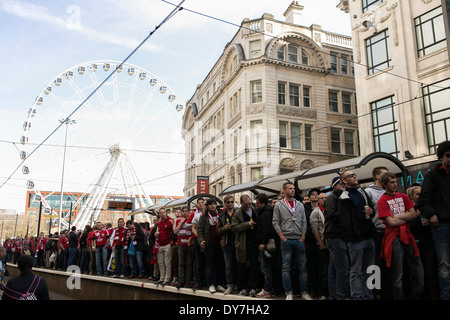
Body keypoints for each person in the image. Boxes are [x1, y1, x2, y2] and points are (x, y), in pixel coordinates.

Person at [377, 171, 423, 300]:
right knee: (398, 274)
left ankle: (416, 296)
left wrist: (397, 217)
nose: (395, 184)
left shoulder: (403, 196)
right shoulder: (382, 200)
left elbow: (414, 214)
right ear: (385, 184)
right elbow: (390, 222)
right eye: (392, 182)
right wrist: (405, 217)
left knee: (418, 270)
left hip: (407, 235)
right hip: (394, 238)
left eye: (396, 181)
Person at [417, 140, 450, 300]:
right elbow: (423, 200)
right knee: (445, 264)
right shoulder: (433, 175)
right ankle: (446, 296)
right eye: (448, 155)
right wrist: (431, 215)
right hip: (442, 226)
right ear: (441, 157)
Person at [338, 171, 375, 300]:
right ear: (344, 181)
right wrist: (354, 237)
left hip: (369, 237)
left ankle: (369, 296)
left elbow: (372, 209)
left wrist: (371, 211)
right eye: (350, 176)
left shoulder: (362, 192)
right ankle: (357, 296)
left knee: (370, 270)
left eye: (354, 174)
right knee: (356, 271)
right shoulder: (344, 197)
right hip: (356, 240)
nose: (354, 176)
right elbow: (345, 222)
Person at [272, 181, 312, 300]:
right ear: (284, 191)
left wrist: (303, 236)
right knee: (286, 267)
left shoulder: (299, 204)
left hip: (299, 238)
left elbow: (304, 221)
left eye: (293, 188)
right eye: (290, 188)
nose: (293, 190)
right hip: (287, 239)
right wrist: (282, 237)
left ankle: (304, 292)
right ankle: (288, 292)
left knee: (302, 267)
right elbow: (275, 222)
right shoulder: (279, 205)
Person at [408, 185, 440, 300]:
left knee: (431, 271)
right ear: (411, 197)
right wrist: (418, 221)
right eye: (417, 194)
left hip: (430, 242)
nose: (420, 196)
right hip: (418, 244)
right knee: (419, 273)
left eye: (422, 193)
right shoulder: (411, 209)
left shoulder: (428, 207)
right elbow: (409, 227)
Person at [364, 165, 390, 300]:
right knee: (374, 266)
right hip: (376, 233)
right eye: (385, 174)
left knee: (387, 265)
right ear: (378, 176)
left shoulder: (389, 191)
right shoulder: (369, 192)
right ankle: (373, 294)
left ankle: (385, 293)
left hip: (389, 233)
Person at [231, 194, 260, 297]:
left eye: (249, 203)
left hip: (254, 242)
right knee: (242, 265)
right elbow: (234, 227)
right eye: (245, 204)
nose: (248, 205)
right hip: (243, 243)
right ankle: (243, 287)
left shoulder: (254, 210)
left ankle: (253, 286)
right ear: (241, 203)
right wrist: (247, 224)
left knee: (254, 265)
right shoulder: (237, 213)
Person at [254, 192, 281, 298]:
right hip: (271, 243)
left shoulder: (265, 214)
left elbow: (266, 230)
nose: (256, 205)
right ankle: (271, 288)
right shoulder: (269, 211)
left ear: (263, 203)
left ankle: (268, 289)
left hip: (266, 244)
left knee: (265, 267)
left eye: (258, 203)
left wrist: (262, 243)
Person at [197, 198, 226, 293]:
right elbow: (200, 230)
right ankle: (211, 284)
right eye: (211, 204)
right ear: (208, 206)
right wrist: (201, 240)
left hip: (220, 243)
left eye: (214, 204)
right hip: (209, 243)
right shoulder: (204, 216)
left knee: (220, 265)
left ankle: (218, 284)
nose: (213, 206)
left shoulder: (221, 213)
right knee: (210, 265)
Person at [310, 192, 329, 300]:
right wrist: (320, 243)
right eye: (322, 198)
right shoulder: (316, 212)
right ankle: (322, 293)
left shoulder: (330, 209)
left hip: (331, 242)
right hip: (321, 243)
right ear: (318, 200)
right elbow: (315, 229)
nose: (324, 200)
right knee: (323, 269)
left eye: (326, 197)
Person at [217, 194, 237, 294]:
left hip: (238, 243)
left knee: (239, 265)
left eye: (232, 202)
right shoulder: (221, 216)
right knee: (228, 266)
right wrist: (224, 228)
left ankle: (238, 285)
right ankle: (230, 285)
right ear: (225, 204)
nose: (230, 204)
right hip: (227, 243)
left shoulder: (238, 213)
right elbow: (217, 230)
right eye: (228, 202)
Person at [303, 188, 320, 297]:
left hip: (321, 241)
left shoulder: (321, 208)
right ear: (309, 198)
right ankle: (311, 289)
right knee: (310, 267)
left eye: (316, 194)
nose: (315, 196)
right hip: (309, 241)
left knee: (320, 266)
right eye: (313, 194)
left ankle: (321, 290)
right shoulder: (305, 209)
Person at [173, 206, 194, 288]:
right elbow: (175, 231)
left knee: (189, 263)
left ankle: (188, 281)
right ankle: (181, 280)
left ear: (189, 212)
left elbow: (193, 230)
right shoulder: (177, 220)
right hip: (181, 244)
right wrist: (181, 223)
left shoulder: (191, 220)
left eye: (187, 211)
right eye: (184, 211)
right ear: (181, 212)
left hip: (189, 244)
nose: (185, 213)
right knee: (181, 263)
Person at [155, 208, 174, 285]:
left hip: (168, 244)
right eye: (161, 213)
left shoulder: (171, 221)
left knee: (167, 263)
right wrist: (156, 234)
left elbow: (174, 231)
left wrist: (172, 242)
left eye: (163, 212)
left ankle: (167, 279)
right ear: (159, 214)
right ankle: (162, 278)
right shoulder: (159, 223)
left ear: (166, 213)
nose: (162, 214)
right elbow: (157, 231)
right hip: (160, 244)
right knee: (160, 263)